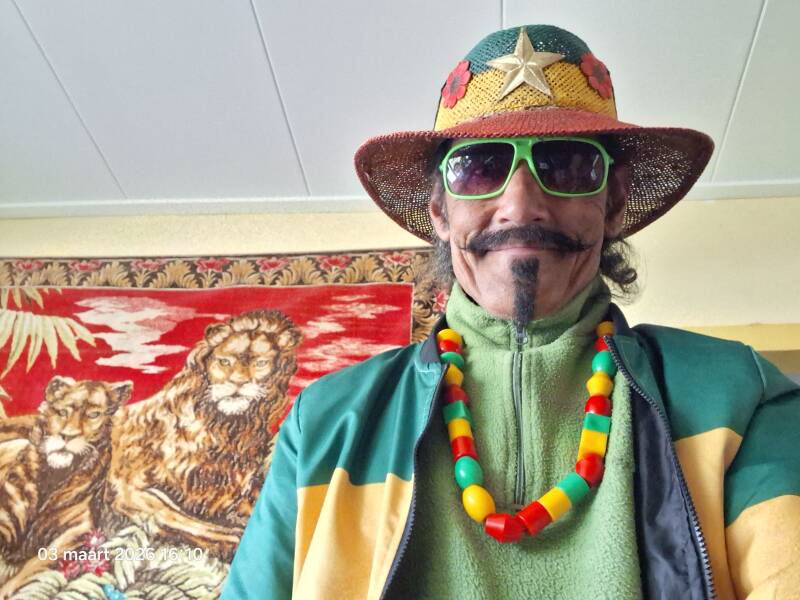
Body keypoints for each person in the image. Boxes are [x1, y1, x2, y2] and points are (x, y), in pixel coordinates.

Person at [221, 24, 800, 599]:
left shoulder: (740, 396)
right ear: (441, 212)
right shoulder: (324, 425)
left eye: (567, 164)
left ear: (614, 202)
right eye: (479, 167)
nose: (521, 205)